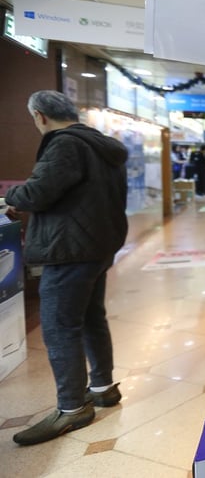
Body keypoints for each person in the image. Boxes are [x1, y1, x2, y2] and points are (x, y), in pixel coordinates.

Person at [4, 91, 128, 446]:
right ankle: (102, 387)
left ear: (40, 116)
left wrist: (11, 197)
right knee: (90, 317)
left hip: (69, 249)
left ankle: (72, 408)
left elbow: (38, 192)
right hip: (98, 245)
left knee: (60, 327)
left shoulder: (64, 144)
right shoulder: (102, 145)